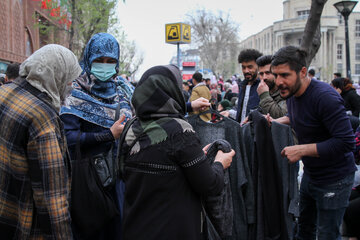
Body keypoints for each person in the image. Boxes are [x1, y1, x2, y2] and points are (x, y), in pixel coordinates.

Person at [121, 64, 235, 240]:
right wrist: (220, 162)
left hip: (135, 226)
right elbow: (210, 185)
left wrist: (197, 158)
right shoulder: (180, 130)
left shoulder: (131, 127)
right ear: (171, 91)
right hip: (173, 229)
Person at [269, 46, 357, 240]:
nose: (279, 82)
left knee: (327, 235)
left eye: (285, 75)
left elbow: (346, 142)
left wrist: (302, 150)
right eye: (276, 75)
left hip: (335, 179)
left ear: (302, 72)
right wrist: (274, 121)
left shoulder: (325, 97)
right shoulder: (291, 92)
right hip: (311, 175)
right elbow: (299, 116)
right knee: (304, 230)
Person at [0, 44, 82, 239]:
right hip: (23, 226)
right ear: (57, 75)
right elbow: (52, 201)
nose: (70, 86)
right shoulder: (43, 118)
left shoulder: (4, 92)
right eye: (69, 80)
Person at [60, 32, 134, 239]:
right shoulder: (74, 93)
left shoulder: (124, 90)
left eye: (110, 61)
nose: (104, 65)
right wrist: (107, 135)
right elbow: (67, 140)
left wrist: (189, 107)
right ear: (88, 58)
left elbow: (148, 109)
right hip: (88, 182)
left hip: (120, 181)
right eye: (99, 60)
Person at [235, 49, 263, 123]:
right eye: (243, 67)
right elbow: (241, 110)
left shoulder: (263, 86)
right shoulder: (242, 86)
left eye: (250, 67)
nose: (246, 71)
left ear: (258, 67)